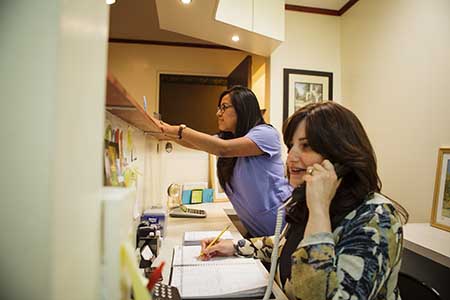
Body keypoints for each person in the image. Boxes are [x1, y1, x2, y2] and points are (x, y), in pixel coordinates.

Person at [200, 102, 408, 300]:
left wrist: (318, 210)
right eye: (291, 146)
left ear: (341, 155)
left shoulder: (376, 218)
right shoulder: (308, 200)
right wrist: (235, 246)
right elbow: (282, 246)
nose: (291, 157)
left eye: (306, 146)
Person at [157, 86, 292, 237]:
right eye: (219, 108)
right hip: (261, 236)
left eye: (224, 107)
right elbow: (195, 143)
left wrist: (180, 130)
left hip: (286, 226)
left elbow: (223, 149)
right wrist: (166, 132)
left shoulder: (266, 134)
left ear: (243, 108)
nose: (218, 113)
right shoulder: (228, 138)